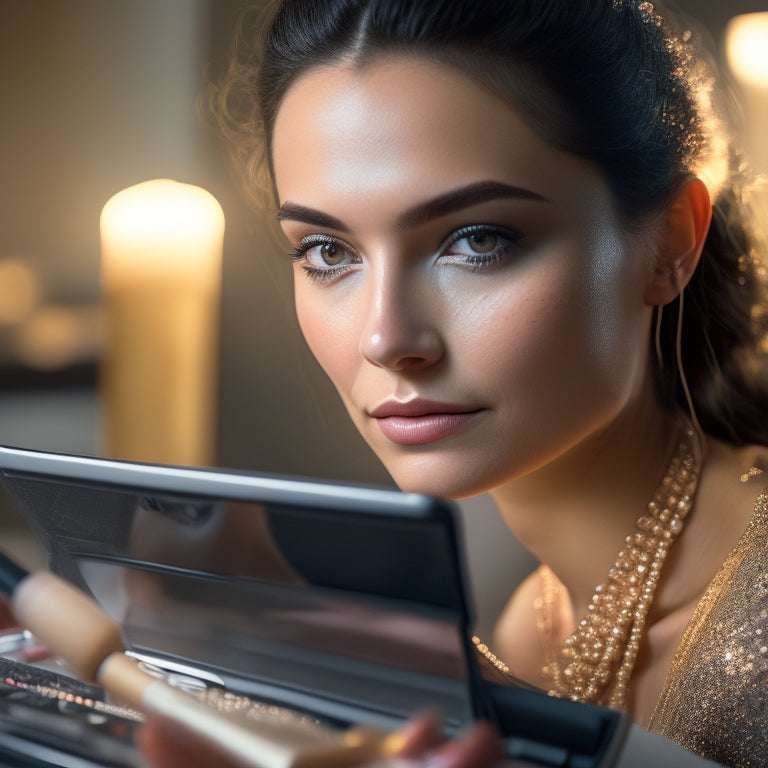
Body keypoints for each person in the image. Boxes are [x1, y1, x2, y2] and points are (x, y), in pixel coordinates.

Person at [68, 0, 768, 765]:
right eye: (329, 252)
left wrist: (326, 661)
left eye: (477, 239)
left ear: (670, 241)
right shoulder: (533, 631)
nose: (385, 339)